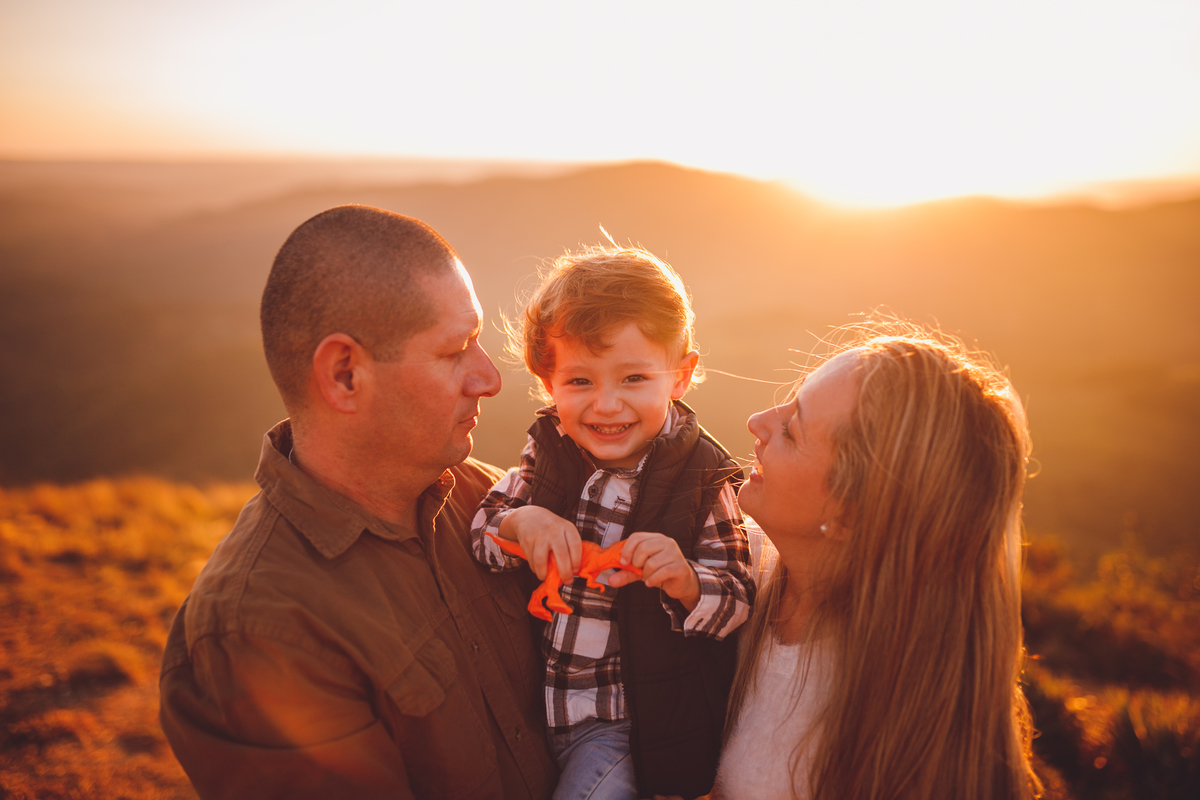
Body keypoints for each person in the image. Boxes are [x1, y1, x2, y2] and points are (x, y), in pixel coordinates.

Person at [158, 205, 558, 799]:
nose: (489, 378)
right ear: (345, 374)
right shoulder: (262, 631)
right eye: (455, 351)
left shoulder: (489, 499)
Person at [470, 246, 756, 800]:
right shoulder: (550, 453)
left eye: (633, 378)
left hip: (630, 726)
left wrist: (684, 578)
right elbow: (483, 534)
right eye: (579, 382)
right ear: (547, 382)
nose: (606, 404)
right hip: (536, 709)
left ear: (681, 376)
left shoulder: (702, 480)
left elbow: (738, 601)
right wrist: (521, 524)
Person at [712, 323, 1040, 800]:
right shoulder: (718, 569)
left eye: (792, 429)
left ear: (850, 514)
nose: (758, 421)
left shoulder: (911, 717)